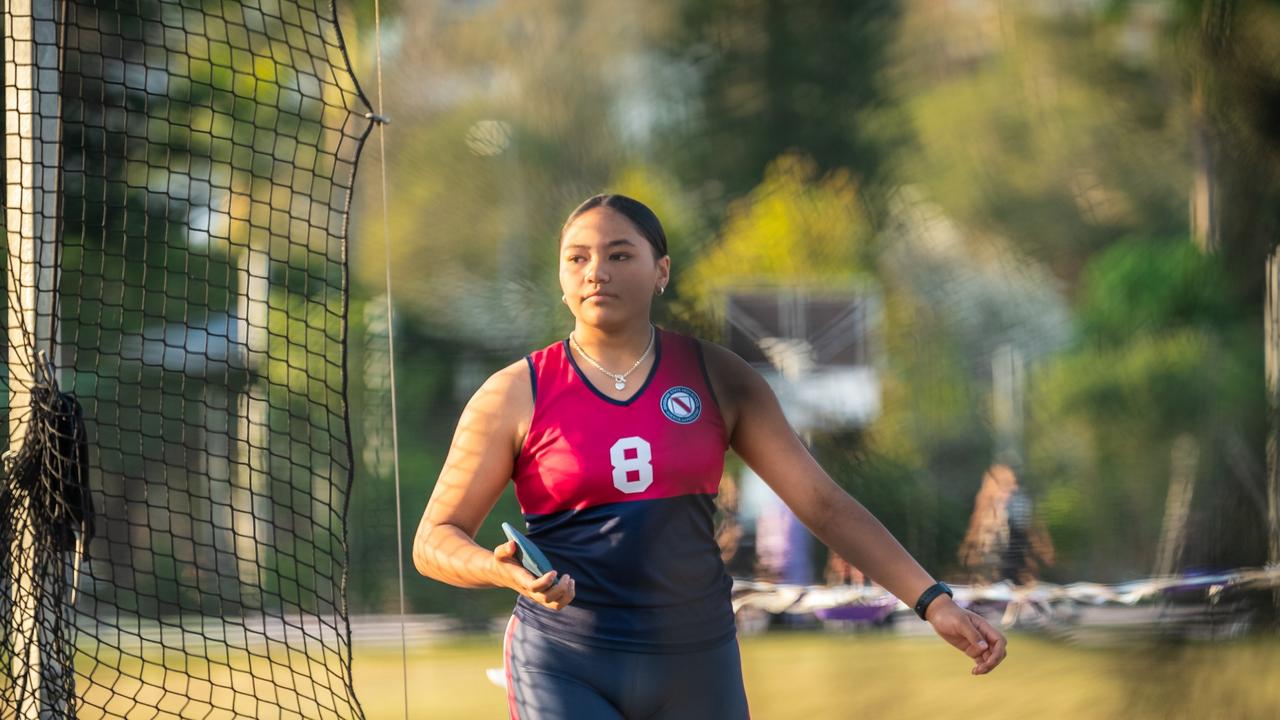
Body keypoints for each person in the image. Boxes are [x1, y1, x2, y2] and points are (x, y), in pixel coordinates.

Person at [413, 193, 1008, 719]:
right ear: (561, 277)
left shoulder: (718, 377)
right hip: (564, 662)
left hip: (697, 662)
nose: (597, 271)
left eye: (620, 254)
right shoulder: (514, 392)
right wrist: (502, 571)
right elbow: (434, 538)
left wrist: (932, 601)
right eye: (578, 258)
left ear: (661, 270)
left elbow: (824, 506)